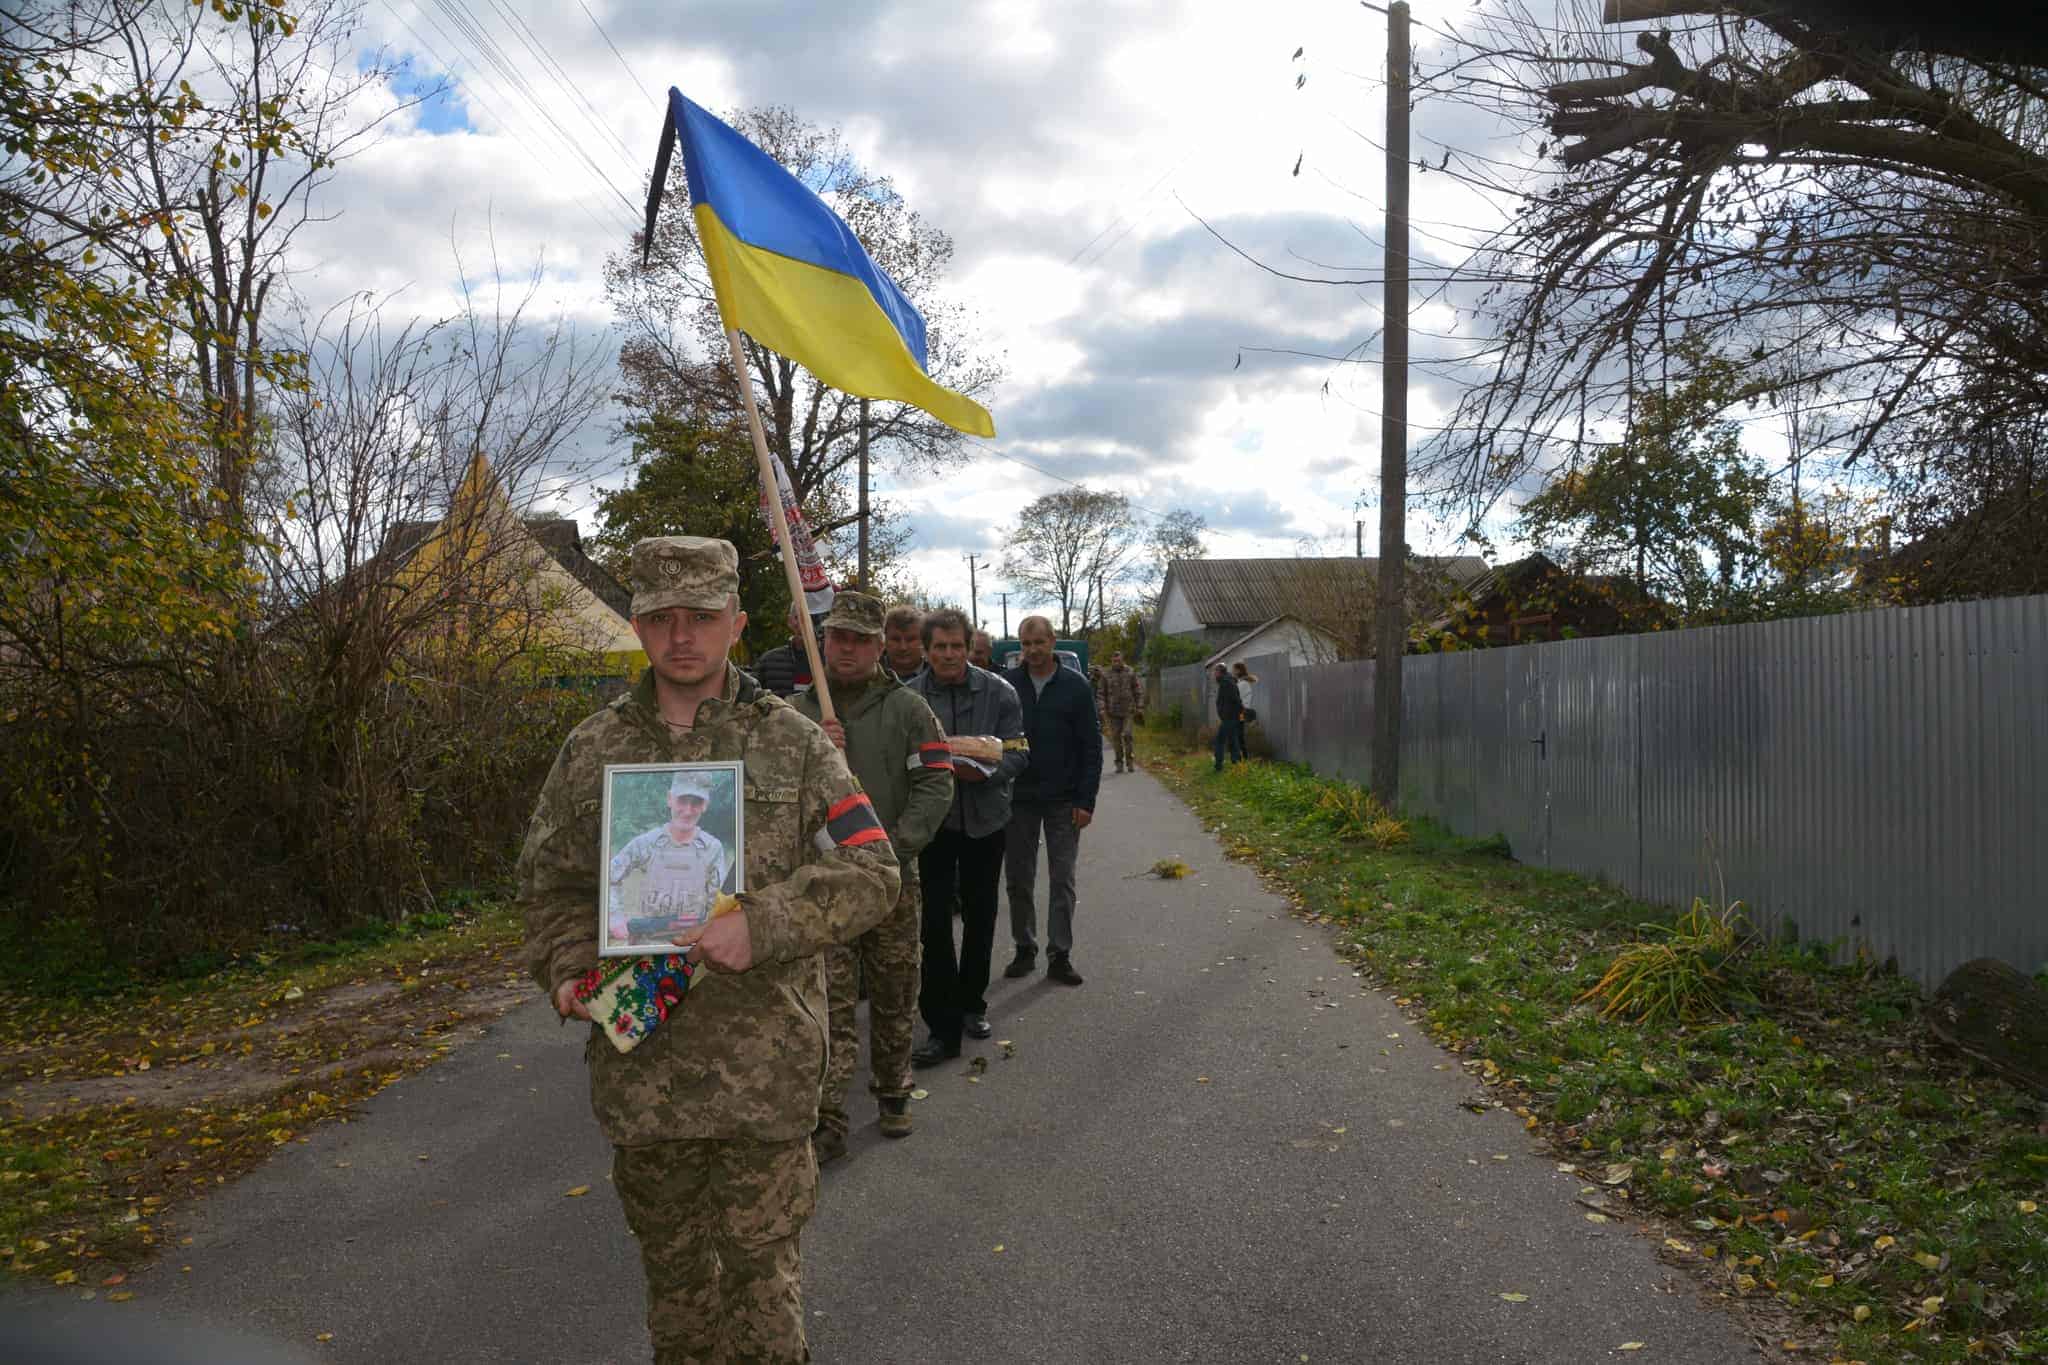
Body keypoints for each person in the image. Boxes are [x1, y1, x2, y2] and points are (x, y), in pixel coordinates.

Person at [518, 535, 899, 1365]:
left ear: (738, 623)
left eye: (702, 616)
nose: (681, 635)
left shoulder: (795, 744)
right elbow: (549, 888)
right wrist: (567, 969)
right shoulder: (593, 751)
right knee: (679, 1300)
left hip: (763, 1076)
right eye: (661, 617)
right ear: (637, 623)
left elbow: (873, 869)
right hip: (644, 1076)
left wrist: (763, 922)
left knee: (763, 1301)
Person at [790, 591, 953, 1158]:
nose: (848, 648)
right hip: (825, 883)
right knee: (829, 1001)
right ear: (821, 642)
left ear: (880, 646)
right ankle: (828, 1113)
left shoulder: (908, 709)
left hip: (890, 881)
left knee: (894, 990)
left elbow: (936, 781)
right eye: (838, 637)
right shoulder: (795, 714)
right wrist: (812, 748)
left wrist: (895, 848)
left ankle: (893, 1091)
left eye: (861, 639)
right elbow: (773, 795)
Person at [906, 607, 1029, 1066]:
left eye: (956, 645)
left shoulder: (1000, 692)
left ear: (969, 646)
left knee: (980, 916)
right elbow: (902, 758)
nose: (949, 654)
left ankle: (973, 1005)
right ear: (926, 649)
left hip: (986, 818)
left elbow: (1018, 750)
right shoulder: (910, 697)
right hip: (932, 826)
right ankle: (941, 1024)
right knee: (933, 924)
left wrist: (989, 775)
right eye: (939, 646)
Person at [1001, 615, 1102, 987]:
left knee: (1062, 879)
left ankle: (1060, 954)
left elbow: (1091, 747)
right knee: (1018, 878)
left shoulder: (1075, 686)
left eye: (1039, 643)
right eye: (1026, 644)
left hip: (1064, 800)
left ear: (1053, 642)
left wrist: (1086, 800)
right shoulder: (1008, 685)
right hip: (1019, 800)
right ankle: (1024, 948)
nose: (1032, 651)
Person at [607, 771, 731, 947]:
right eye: (682, 800)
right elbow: (609, 877)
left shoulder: (713, 849)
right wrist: (615, 916)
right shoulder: (647, 843)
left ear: (705, 805)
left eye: (696, 802)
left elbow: (719, 903)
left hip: (693, 942)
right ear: (669, 799)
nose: (688, 811)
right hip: (647, 942)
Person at [752, 597, 822, 699]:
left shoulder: (832, 663)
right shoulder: (768, 661)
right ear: (790, 621)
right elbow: (750, 698)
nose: (806, 624)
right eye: (799, 617)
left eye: (812, 618)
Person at [1099, 650, 1145, 774]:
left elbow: (1137, 690)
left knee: (1127, 735)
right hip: (1113, 712)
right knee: (1116, 738)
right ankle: (1119, 762)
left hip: (1128, 711)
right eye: (1114, 661)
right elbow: (1101, 694)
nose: (1116, 663)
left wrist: (1140, 706)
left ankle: (1130, 762)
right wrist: (1102, 708)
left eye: (1118, 660)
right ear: (1111, 661)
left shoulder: (1130, 672)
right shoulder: (1106, 674)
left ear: (1122, 660)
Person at [1211, 662, 1245, 772]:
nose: (1213, 674)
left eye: (1215, 671)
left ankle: (1218, 765)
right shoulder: (1226, 682)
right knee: (1233, 740)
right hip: (1230, 716)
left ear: (1219, 672)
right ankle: (1237, 763)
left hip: (1230, 717)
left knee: (1220, 741)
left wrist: (1240, 713)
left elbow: (1236, 699)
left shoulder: (1227, 683)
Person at [883, 603, 925, 681]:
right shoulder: (867, 671)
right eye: (895, 639)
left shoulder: (939, 674)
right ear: (884, 639)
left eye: (911, 639)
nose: (903, 647)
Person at [1229, 660, 1258, 763]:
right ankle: (1241, 760)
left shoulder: (1243, 684)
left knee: (1238, 736)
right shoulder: (1241, 683)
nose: (1232, 671)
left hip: (1240, 713)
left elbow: (1234, 698)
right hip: (1239, 712)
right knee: (1238, 736)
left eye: (1233, 669)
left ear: (1238, 671)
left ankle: (1242, 760)